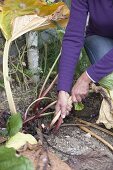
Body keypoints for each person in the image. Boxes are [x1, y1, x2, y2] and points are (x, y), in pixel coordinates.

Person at [55, 0, 113, 118]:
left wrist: (87, 77)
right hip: (103, 40)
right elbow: (73, 38)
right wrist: (63, 89)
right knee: (109, 75)